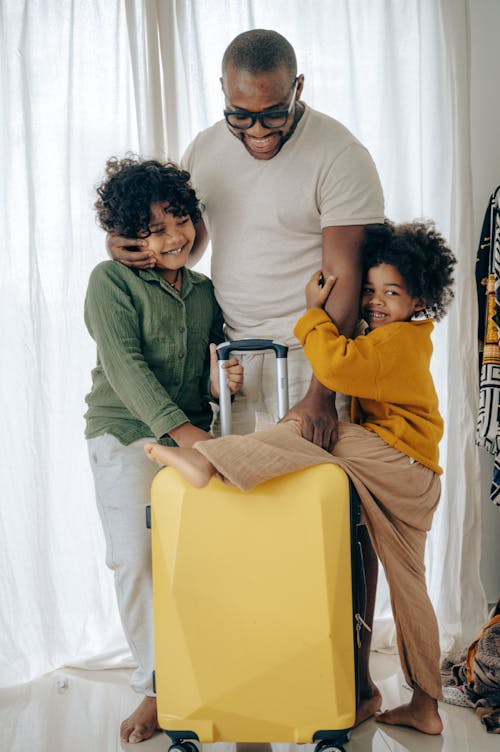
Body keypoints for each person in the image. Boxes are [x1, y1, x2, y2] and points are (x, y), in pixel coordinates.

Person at [108, 28, 385, 741]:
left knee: (336, 520)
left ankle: (350, 679)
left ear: (298, 90)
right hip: (232, 358)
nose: (257, 130)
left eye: (272, 114)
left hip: (312, 359)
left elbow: (346, 275)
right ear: (223, 97)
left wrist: (323, 391)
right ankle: (254, 669)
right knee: (247, 525)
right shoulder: (205, 150)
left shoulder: (339, 153)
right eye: (241, 115)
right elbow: (182, 242)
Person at [145, 220, 457, 736]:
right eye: (371, 291)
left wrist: (313, 313)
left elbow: (334, 366)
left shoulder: (398, 343)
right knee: (410, 589)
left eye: (392, 293)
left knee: (316, 431)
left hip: (399, 466)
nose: (376, 302)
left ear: (420, 298)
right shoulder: (395, 336)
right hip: (411, 474)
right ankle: (426, 703)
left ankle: (213, 460)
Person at [84, 156, 243, 744]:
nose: (173, 237)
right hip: (125, 435)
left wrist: (217, 381)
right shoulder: (110, 281)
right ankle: (155, 689)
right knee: (136, 561)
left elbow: (203, 366)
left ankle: (207, 671)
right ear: (129, 235)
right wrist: (185, 433)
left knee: (196, 561)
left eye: (179, 220)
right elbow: (124, 369)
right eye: (154, 229)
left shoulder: (205, 292)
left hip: (187, 438)